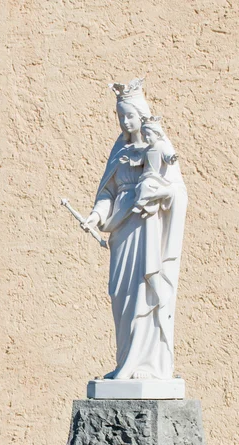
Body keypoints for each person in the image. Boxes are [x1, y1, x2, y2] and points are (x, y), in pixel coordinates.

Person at [82, 79, 188, 380]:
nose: (126, 122)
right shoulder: (119, 150)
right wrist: (95, 215)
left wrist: (160, 195)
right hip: (121, 232)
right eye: (121, 117)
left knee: (144, 290)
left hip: (147, 231)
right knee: (120, 293)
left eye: (130, 115)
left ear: (142, 114)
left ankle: (146, 366)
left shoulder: (160, 147)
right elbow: (108, 192)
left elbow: (178, 193)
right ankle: (125, 362)